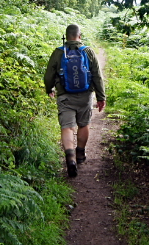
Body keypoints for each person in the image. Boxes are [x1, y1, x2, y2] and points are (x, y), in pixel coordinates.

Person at [43, 24, 106, 177]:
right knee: (83, 124)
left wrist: (49, 88)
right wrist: (100, 97)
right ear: (79, 35)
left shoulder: (58, 52)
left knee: (67, 127)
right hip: (85, 96)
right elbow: (97, 75)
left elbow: (49, 75)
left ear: (66, 35)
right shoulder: (88, 51)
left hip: (64, 95)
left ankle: (70, 158)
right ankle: (80, 154)